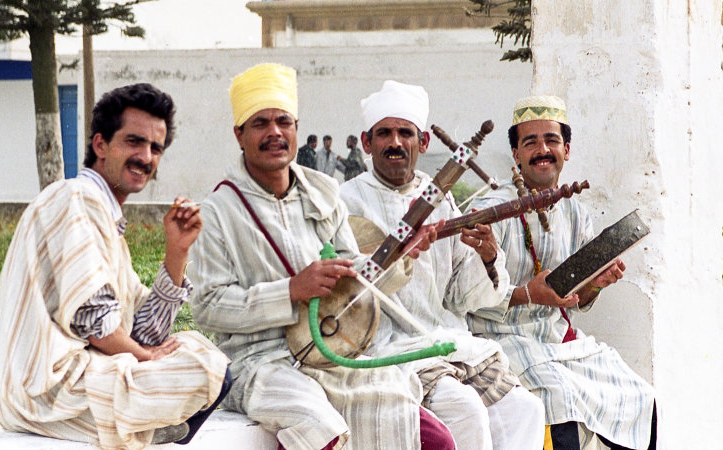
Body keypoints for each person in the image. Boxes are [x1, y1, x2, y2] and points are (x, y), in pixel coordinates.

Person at [188, 63, 454, 450]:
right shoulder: (216, 211)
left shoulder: (323, 191)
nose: (275, 132)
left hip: (333, 351)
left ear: (296, 130)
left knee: (432, 438)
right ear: (239, 135)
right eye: (260, 123)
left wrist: (399, 253)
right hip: (261, 363)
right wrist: (291, 290)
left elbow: (353, 273)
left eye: (283, 121)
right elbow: (207, 308)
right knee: (320, 433)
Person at [0, 83, 231, 449]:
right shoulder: (76, 198)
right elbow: (97, 327)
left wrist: (176, 252)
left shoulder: (106, 219)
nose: (145, 157)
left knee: (194, 349)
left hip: (78, 379)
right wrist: (147, 358)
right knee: (205, 366)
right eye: (134, 142)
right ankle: (144, 429)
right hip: (45, 392)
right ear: (101, 145)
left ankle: (143, 427)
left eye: (155, 148)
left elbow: (141, 335)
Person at [340, 80, 545, 450]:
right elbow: (345, 293)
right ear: (367, 143)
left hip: (445, 338)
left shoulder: (439, 198)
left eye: (406, 133)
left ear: (424, 143)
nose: (396, 143)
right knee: (464, 408)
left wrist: (486, 257)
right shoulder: (345, 202)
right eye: (384, 133)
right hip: (388, 349)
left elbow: (460, 297)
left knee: (525, 409)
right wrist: (398, 253)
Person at [468, 95, 657, 450]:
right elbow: (467, 296)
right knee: (561, 400)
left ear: (566, 150)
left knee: (639, 396)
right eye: (530, 142)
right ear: (516, 154)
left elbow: (576, 297)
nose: (542, 150)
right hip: (501, 339)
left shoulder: (574, 212)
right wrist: (527, 294)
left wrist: (595, 285)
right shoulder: (493, 210)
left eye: (551, 141)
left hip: (557, 341)